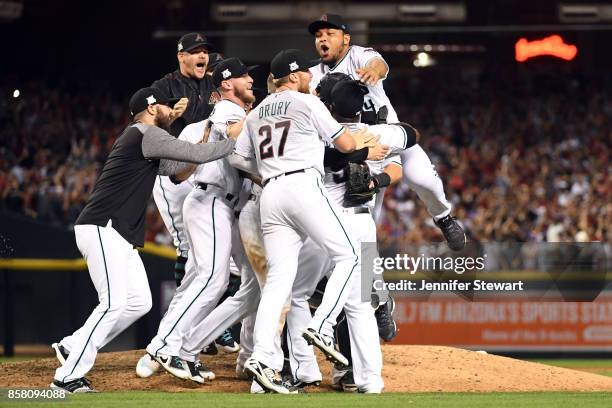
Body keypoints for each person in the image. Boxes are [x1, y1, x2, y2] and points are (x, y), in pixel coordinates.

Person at [49, 87, 237, 393]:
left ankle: (73, 345)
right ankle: (67, 377)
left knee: (139, 302)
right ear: (151, 109)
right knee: (113, 303)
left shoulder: (145, 140)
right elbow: (193, 154)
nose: (168, 108)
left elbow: (177, 170)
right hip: (103, 227)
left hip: (117, 233)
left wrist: (201, 140)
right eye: (162, 106)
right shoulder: (143, 133)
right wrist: (234, 141)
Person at [232, 48, 379, 394]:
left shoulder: (255, 115)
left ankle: (263, 357)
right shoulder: (307, 102)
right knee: (353, 259)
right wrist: (364, 147)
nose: (312, 79)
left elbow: (238, 158)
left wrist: (267, 174)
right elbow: (343, 143)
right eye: (307, 75)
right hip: (308, 191)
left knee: (279, 283)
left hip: (271, 193)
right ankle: (324, 325)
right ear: (295, 76)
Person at [307, 14, 466, 250]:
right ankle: (365, 277)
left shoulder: (358, 55)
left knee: (424, 179)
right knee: (365, 218)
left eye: (330, 34)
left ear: (346, 39)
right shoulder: (313, 74)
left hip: (390, 132)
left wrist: (374, 70)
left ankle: (443, 217)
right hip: (357, 145)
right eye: (319, 35)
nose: (323, 39)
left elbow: (378, 64)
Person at [144, 58, 258, 384]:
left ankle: (188, 347)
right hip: (211, 200)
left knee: (250, 285)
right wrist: (266, 116)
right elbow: (234, 131)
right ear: (225, 84)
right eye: (243, 75)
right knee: (212, 280)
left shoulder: (236, 110)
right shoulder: (227, 110)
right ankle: (168, 347)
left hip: (225, 207)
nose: (250, 79)